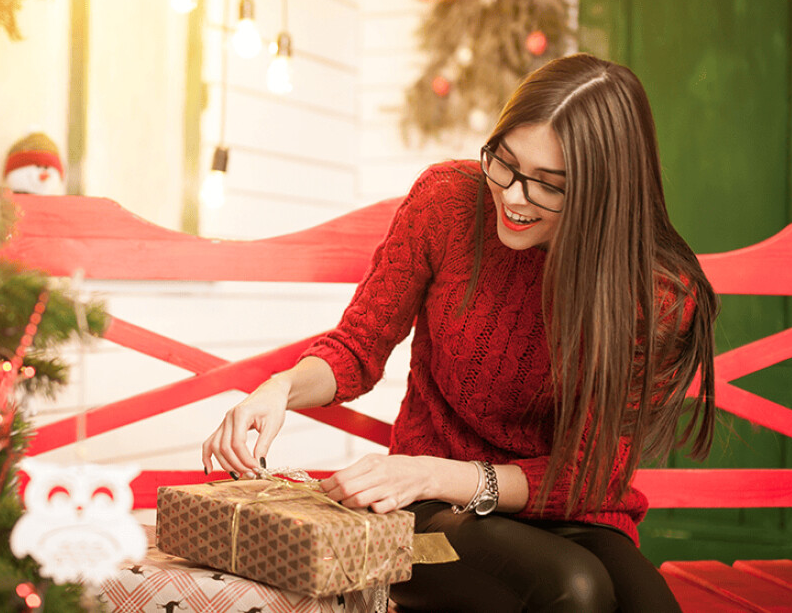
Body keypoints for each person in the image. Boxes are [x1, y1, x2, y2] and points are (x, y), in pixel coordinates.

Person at [201, 53, 717, 613]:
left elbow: (585, 478)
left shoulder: (657, 295)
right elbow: (358, 345)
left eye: (548, 185)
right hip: (426, 510)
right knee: (575, 589)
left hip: (563, 509)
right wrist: (279, 388)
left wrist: (434, 473)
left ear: (604, 193)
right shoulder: (447, 203)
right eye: (505, 162)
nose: (513, 197)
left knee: (647, 606)